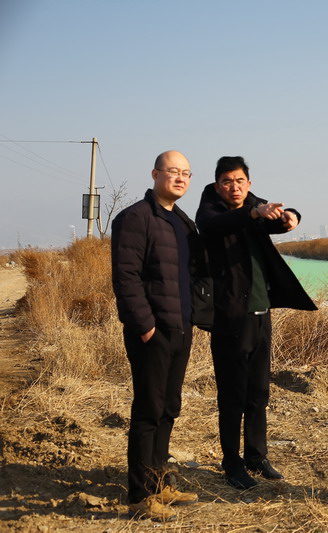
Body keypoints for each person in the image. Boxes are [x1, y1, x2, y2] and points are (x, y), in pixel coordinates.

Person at [195, 156, 316, 489]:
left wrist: (292, 217)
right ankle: (232, 464)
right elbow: (214, 226)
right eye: (227, 181)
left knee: (259, 391)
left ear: (248, 183)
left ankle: (256, 455)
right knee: (232, 395)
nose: (234, 187)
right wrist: (254, 213)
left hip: (262, 313)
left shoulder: (255, 204)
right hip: (230, 316)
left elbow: (277, 219)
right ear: (217, 185)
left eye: (239, 181)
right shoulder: (210, 210)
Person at [112, 150, 213, 521]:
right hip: (152, 332)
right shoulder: (136, 218)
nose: (181, 178)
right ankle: (140, 497)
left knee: (169, 408)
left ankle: (159, 484)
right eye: (173, 171)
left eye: (186, 173)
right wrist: (145, 326)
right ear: (155, 174)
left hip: (180, 329)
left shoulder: (183, 222)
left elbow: (194, 273)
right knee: (148, 412)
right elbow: (126, 276)